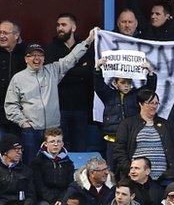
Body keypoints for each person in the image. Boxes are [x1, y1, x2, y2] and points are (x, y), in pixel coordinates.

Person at [4, 27, 97, 163]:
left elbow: (71, 58)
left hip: (53, 130)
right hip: (31, 131)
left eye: (40, 55)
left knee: (54, 164)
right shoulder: (18, 78)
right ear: (26, 59)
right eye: (32, 55)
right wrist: (23, 122)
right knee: (32, 164)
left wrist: (88, 40)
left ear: (44, 57)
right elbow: (10, 105)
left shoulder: (52, 70)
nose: (36, 58)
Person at [94, 57, 157, 173]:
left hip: (131, 139)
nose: (126, 86)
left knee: (130, 168)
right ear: (115, 83)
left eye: (129, 83)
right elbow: (98, 85)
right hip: (112, 139)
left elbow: (150, 90)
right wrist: (98, 68)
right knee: (111, 170)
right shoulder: (109, 95)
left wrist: (151, 73)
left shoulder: (136, 95)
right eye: (123, 82)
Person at [44, 13, 94, 152]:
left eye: (64, 25)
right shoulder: (51, 49)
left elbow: (88, 72)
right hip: (59, 107)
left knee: (80, 147)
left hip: (81, 107)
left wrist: (65, 71)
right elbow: (52, 74)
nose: (60, 28)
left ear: (73, 27)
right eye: (58, 25)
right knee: (60, 148)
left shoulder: (85, 47)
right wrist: (79, 70)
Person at [113, 89, 174, 183]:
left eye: (156, 103)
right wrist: (130, 170)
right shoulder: (127, 124)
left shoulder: (166, 124)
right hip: (135, 179)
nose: (154, 106)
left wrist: (172, 171)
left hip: (163, 178)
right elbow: (119, 150)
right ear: (141, 104)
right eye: (150, 103)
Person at [30, 127, 74, 205]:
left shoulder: (68, 162)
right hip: (43, 199)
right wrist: (53, 201)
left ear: (62, 144)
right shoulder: (37, 162)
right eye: (52, 141)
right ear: (45, 144)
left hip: (63, 199)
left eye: (58, 141)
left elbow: (70, 185)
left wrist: (62, 200)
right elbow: (38, 186)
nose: (56, 144)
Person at [0, 20, 26, 138]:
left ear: (16, 35)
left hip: (20, 113)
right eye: (0, 33)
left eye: (5, 33)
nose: (1, 36)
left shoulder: (27, 53)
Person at [0, 134, 36, 205]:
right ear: (5, 151)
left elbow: (31, 196)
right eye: (16, 149)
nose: (20, 152)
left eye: (21, 149)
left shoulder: (26, 171)